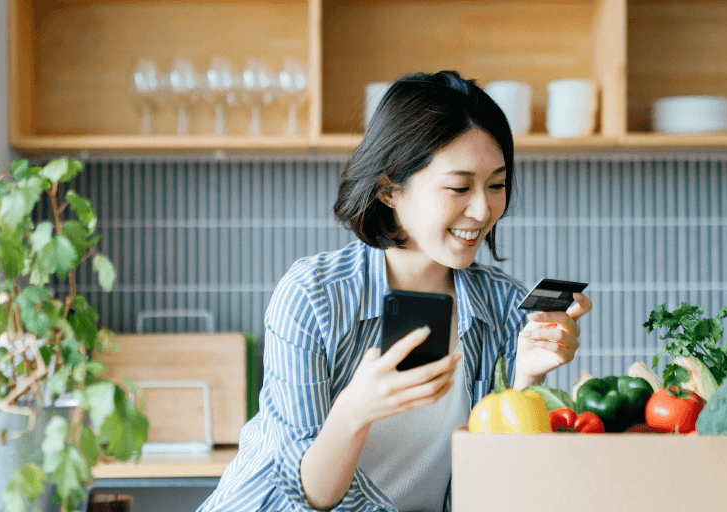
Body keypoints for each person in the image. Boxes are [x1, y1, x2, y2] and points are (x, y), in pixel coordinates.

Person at [197, 70, 592, 512]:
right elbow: (309, 497)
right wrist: (355, 410)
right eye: (459, 187)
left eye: (496, 185)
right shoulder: (313, 297)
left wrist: (526, 380)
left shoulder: (504, 306)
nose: (482, 210)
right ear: (389, 190)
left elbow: (491, 486)